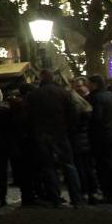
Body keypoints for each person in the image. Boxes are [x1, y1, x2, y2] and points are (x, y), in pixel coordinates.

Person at [25, 69, 83, 207]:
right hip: (61, 133)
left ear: (41, 78)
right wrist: (69, 130)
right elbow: (73, 114)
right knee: (69, 165)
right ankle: (76, 199)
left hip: (42, 134)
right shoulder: (64, 93)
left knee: (49, 167)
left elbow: (28, 117)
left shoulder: (34, 95)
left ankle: (55, 199)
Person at [86, 74, 112, 203]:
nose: (87, 86)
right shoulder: (111, 96)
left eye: (89, 83)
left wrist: (87, 116)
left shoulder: (96, 98)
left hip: (101, 137)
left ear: (94, 84)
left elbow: (97, 117)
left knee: (104, 167)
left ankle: (109, 194)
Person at [70, 78, 100, 203]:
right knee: (88, 167)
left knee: (81, 167)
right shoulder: (88, 106)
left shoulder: (77, 107)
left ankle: (85, 192)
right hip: (87, 141)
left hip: (79, 141)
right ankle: (93, 192)